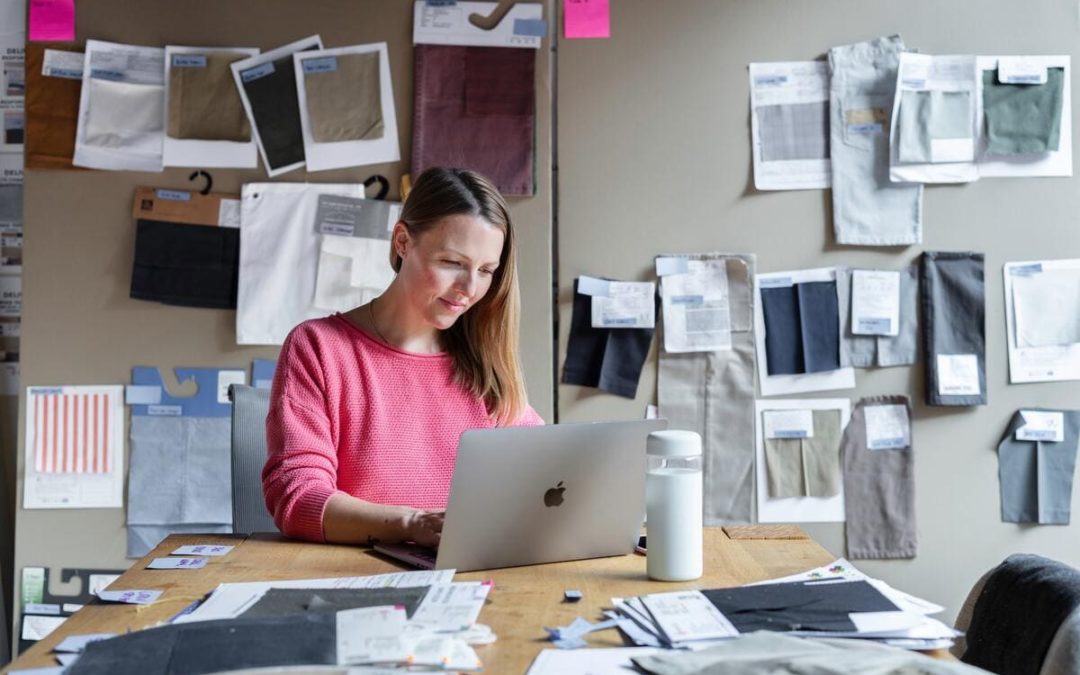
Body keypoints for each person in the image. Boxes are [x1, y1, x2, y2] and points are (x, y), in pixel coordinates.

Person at [263, 167, 544, 549]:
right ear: (402, 241)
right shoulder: (318, 347)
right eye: (452, 263)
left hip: (468, 579)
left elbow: (547, 474)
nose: (469, 289)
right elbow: (296, 499)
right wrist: (412, 524)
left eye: (486, 271)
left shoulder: (484, 364)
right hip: (355, 580)